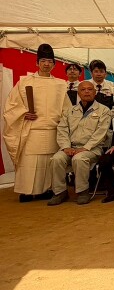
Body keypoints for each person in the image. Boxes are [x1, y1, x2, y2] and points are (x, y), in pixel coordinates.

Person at [3, 44, 71, 203]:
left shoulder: (61, 84)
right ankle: (26, 191)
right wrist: (23, 113)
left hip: (53, 130)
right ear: (37, 63)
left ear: (54, 64)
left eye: (50, 61)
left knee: (48, 162)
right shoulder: (24, 82)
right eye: (43, 61)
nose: (46, 64)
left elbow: (66, 109)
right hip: (32, 129)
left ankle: (45, 190)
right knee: (29, 162)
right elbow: (11, 105)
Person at [47, 81, 112, 205]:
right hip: (71, 148)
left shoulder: (104, 110)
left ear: (95, 92)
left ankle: (83, 191)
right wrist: (66, 147)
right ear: (78, 93)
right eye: (83, 89)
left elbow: (101, 132)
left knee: (79, 159)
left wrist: (85, 148)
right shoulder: (70, 111)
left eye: (89, 89)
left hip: (93, 149)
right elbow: (62, 130)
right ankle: (60, 192)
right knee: (56, 159)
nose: (86, 92)